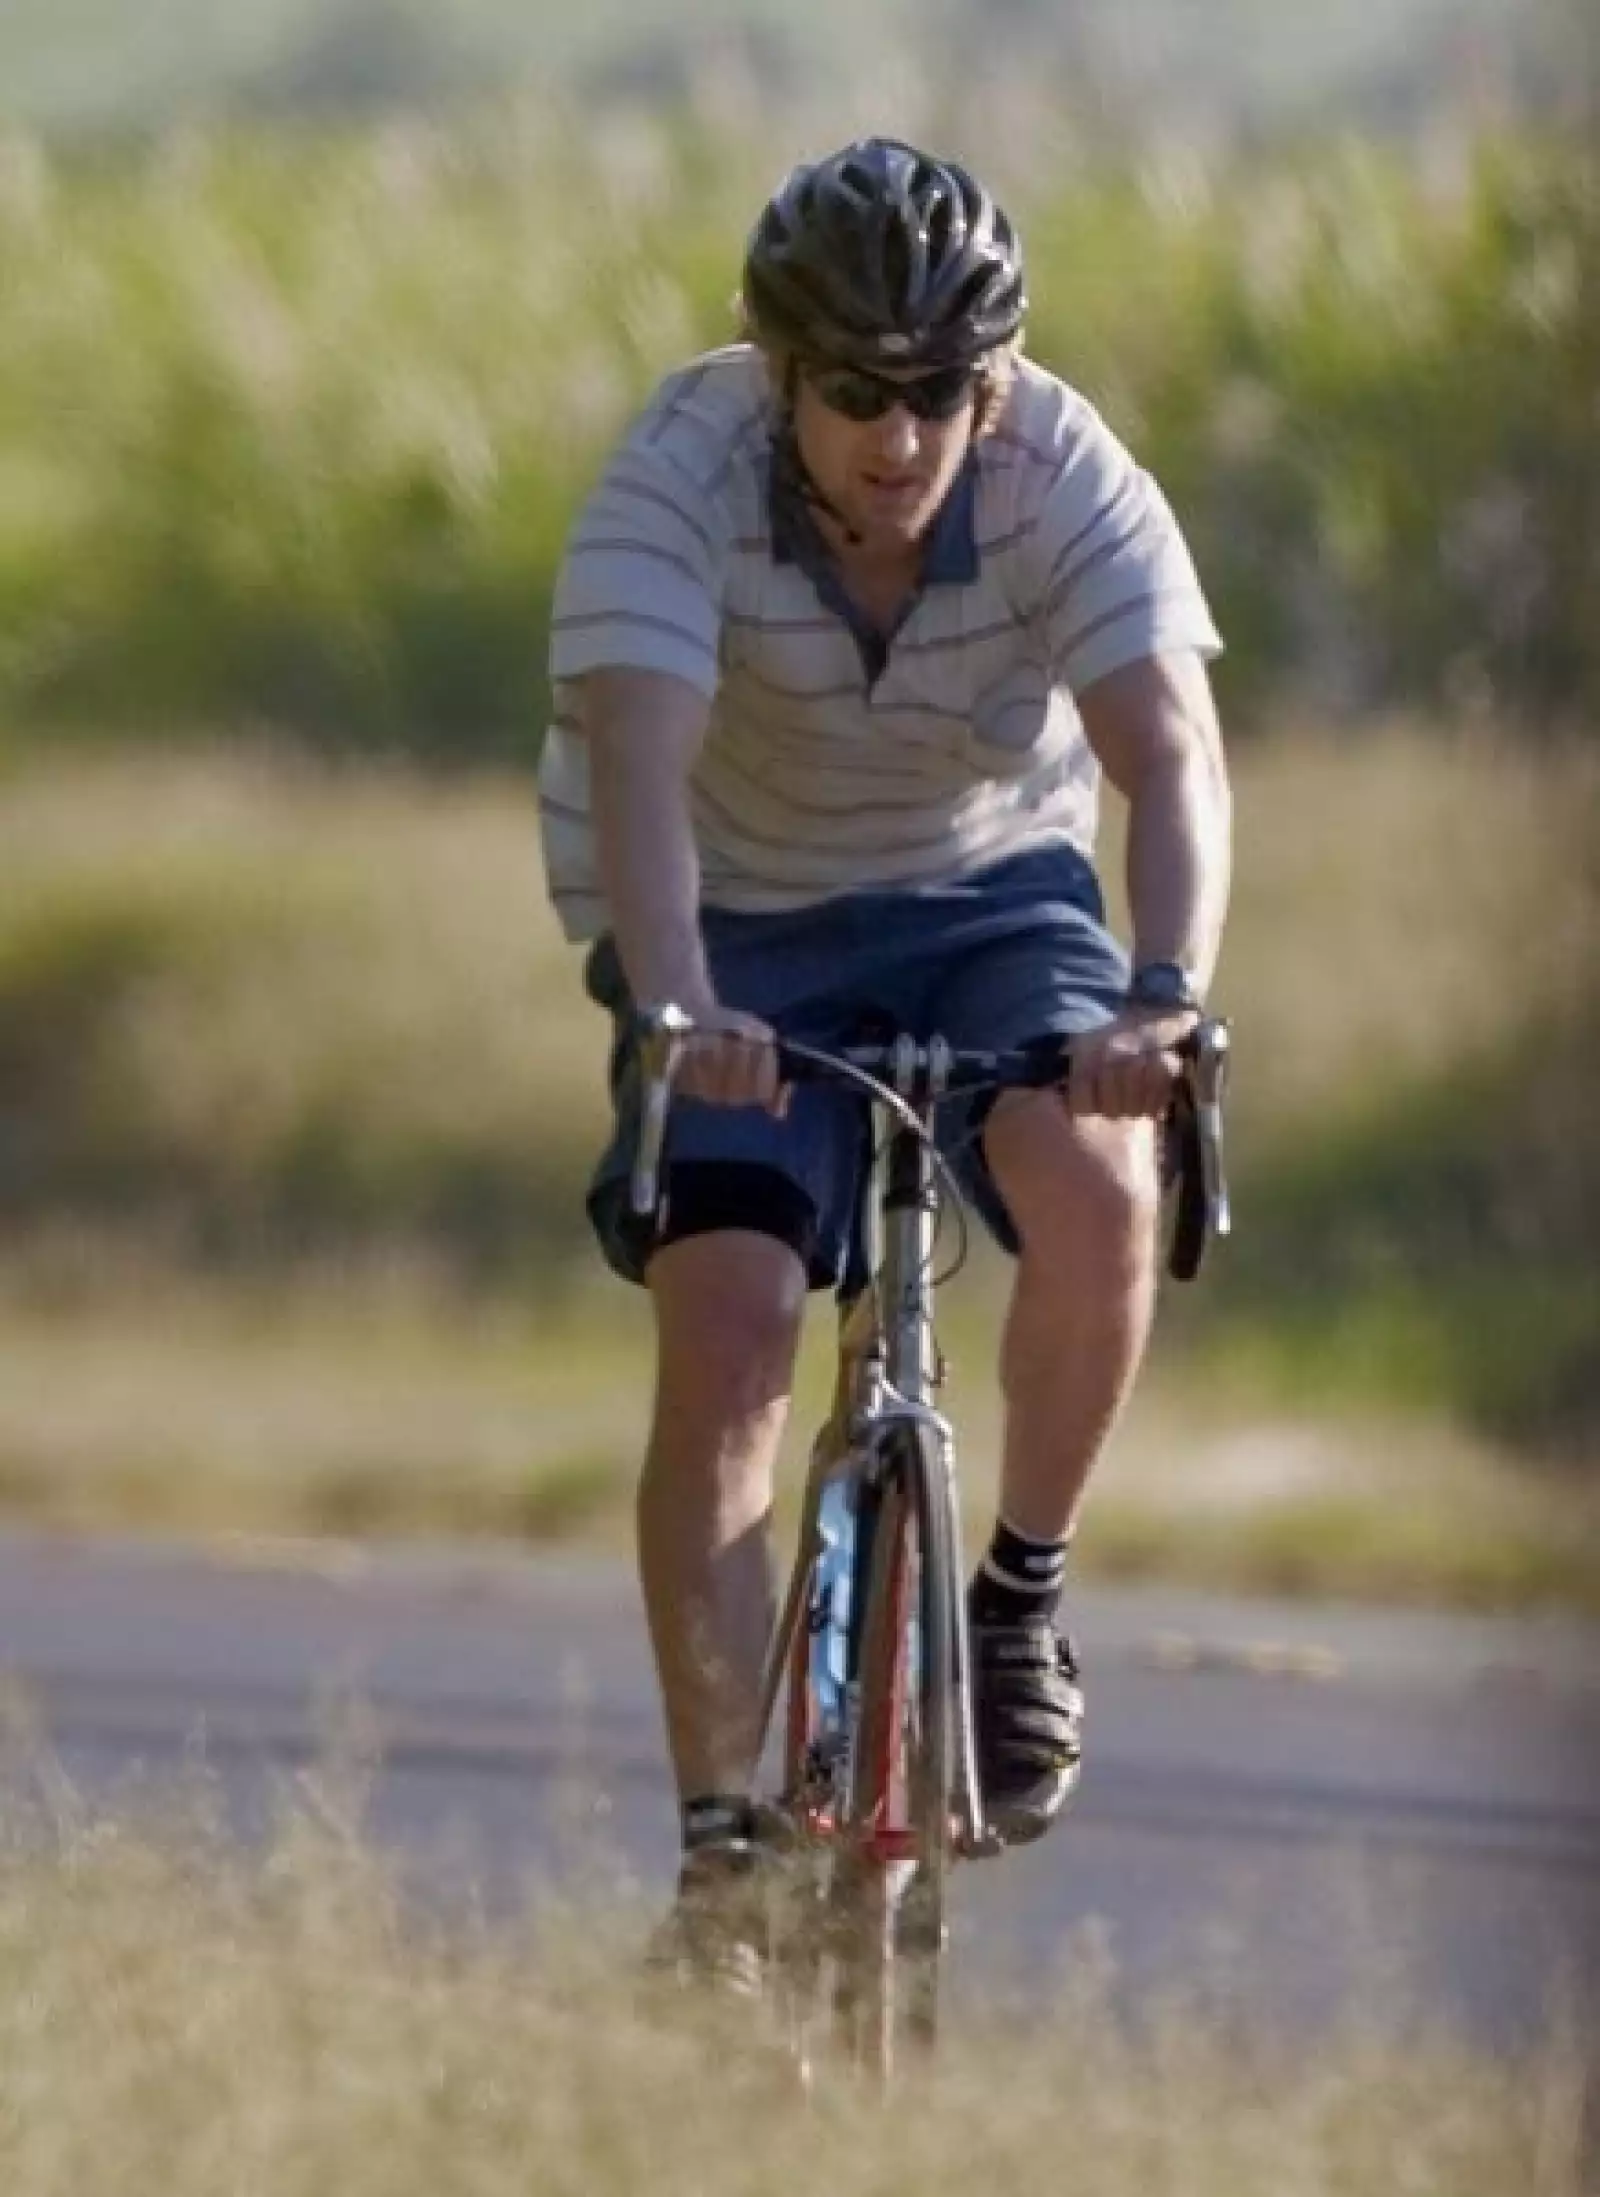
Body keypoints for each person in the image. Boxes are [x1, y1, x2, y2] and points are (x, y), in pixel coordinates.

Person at [538, 136, 1232, 1984]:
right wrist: (681, 1009)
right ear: (780, 374)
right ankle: (720, 1854)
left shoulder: (1064, 470)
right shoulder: (674, 477)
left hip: (986, 889)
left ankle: (1015, 1601)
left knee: (1098, 1178)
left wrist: (1162, 990)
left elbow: (1172, 756)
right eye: (856, 391)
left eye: (939, 392)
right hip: (736, 910)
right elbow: (636, 773)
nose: (899, 434)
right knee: (740, 1326)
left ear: (990, 384)